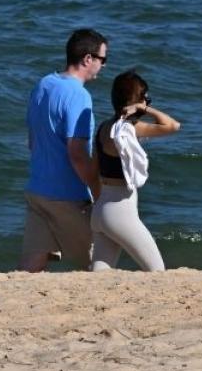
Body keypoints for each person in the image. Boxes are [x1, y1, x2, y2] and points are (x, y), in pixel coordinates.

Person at [19, 28, 108, 273]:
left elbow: (32, 140)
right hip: (67, 197)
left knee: (31, 267)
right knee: (99, 261)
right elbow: (77, 153)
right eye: (103, 59)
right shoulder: (79, 96)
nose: (103, 66)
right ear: (87, 59)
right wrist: (97, 192)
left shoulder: (43, 85)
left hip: (37, 190)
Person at [91, 69, 179, 272]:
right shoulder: (130, 128)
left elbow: (94, 168)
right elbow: (173, 126)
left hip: (101, 209)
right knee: (157, 271)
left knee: (98, 278)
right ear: (137, 101)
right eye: (145, 98)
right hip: (121, 211)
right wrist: (145, 109)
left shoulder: (104, 127)